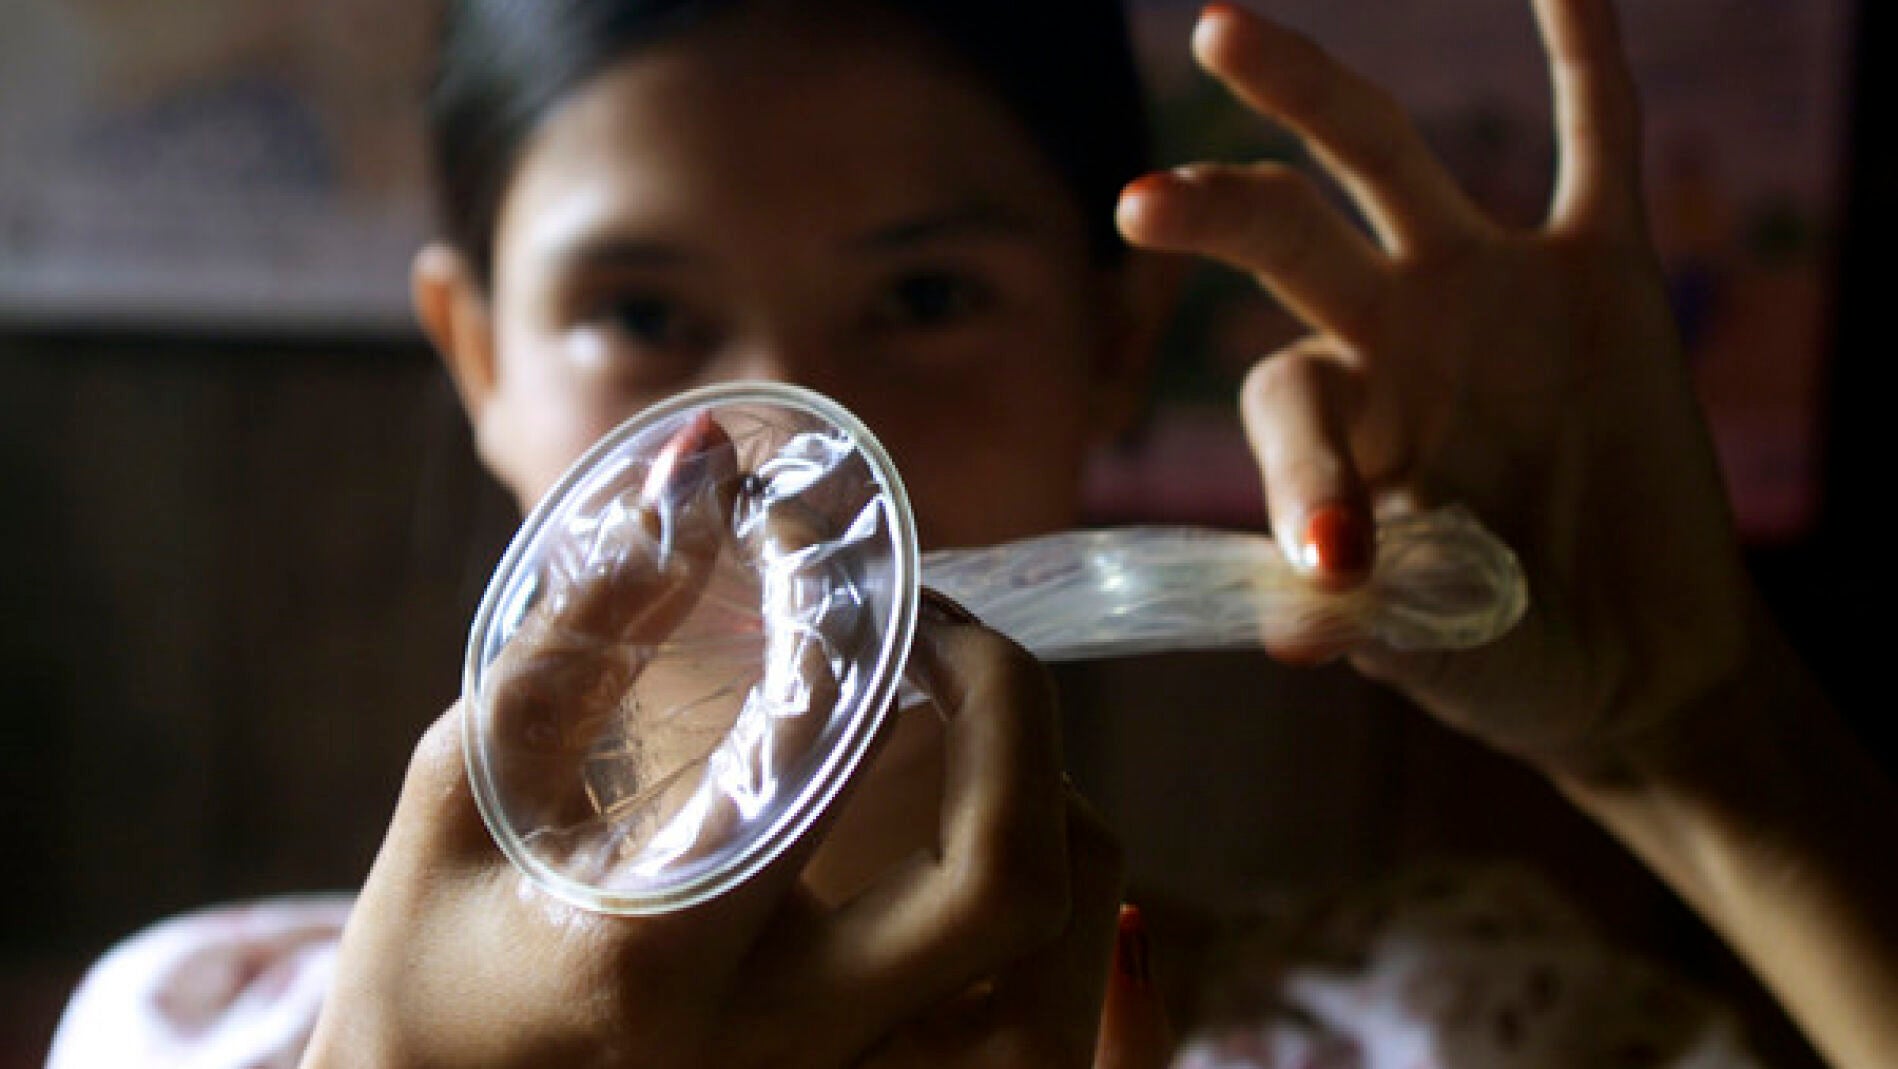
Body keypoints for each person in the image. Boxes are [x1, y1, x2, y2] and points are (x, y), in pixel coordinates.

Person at [44, 0, 1897, 1066]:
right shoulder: (205, 1035)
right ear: (478, 359)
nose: (781, 449)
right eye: (643, 314)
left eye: (924, 300)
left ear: (1107, 346)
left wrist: (1704, 732)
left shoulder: (1450, 1031)